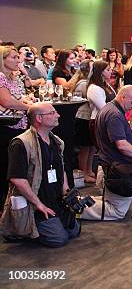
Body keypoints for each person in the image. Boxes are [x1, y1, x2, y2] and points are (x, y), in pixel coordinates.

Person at [1, 103, 79, 247]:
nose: (58, 115)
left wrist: (67, 194)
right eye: (52, 113)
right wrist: (39, 205)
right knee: (59, 239)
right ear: (39, 118)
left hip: (54, 200)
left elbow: (61, 171)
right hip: (35, 204)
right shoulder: (21, 143)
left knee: (74, 231)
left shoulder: (57, 142)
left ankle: (50, 225)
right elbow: (17, 179)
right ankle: (23, 231)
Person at [80, 86, 132, 221]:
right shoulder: (114, 115)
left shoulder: (109, 108)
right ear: (122, 97)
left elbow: (115, 136)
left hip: (110, 167)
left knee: (114, 204)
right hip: (114, 170)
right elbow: (122, 145)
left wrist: (131, 133)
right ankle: (75, 207)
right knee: (116, 211)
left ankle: (79, 201)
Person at [1, 46, 33, 206]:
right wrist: (30, 107)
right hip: (5, 126)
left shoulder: (14, 78)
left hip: (18, 124)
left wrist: (26, 101)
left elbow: (20, 97)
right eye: (13, 57)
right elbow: (6, 101)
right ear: (3, 59)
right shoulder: (0, 77)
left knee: (14, 165)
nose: (18, 60)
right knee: (6, 165)